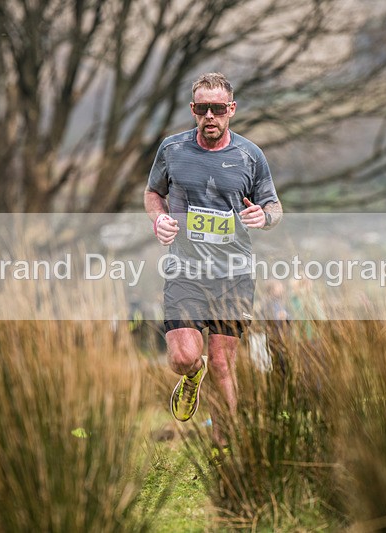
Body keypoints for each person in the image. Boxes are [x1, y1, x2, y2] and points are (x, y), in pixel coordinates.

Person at [144, 72, 283, 453]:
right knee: (183, 357)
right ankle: (192, 377)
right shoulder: (171, 150)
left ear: (231, 111)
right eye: (202, 108)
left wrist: (264, 218)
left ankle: (227, 450)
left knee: (223, 363)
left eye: (217, 109)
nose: (210, 116)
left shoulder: (249, 155)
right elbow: (153, 193)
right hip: (185, 272)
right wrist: (159, 218)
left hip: (234, 276)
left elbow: (274, 205)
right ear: (192, 110)